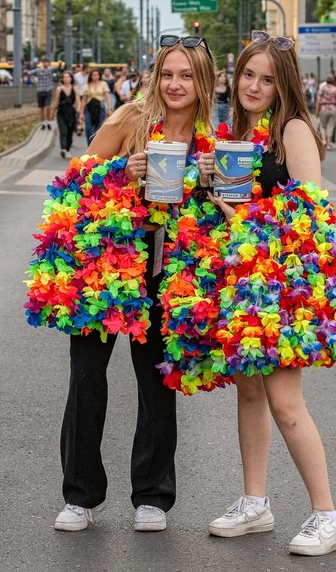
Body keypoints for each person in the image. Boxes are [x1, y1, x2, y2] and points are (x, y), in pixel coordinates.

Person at [50, 34, 216, 534]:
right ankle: (80, 496)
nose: (175, 83)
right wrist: (124, 170)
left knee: (157, 381)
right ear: (155, 76)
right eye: (168, 73)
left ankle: (152, 496)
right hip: (112, 267)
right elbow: (77, 180)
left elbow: (225, 215)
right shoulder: (128, 119)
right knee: (86, 378)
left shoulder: (215, 136)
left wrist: (210, 180)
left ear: (203, 81)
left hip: (171, 271)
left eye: (186, 75)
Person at [197, 30, 336, 557]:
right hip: (246, 283)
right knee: (249, 392)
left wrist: (240, 214)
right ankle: (255, 503)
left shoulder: (295, 131)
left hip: (283, 289)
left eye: (266, 78)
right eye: (247, 75)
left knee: (285, 403)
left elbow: (311, 219)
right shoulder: (245, 133)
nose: (253, 85)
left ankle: (328, 516)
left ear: (284, 85)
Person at [52, 70, 81, 159]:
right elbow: (56, 102)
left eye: (68, 77)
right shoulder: (59, 89)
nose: (66, 79)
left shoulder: (74, 88)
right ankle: (63, 149)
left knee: (70, 132)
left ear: (71, 78)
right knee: (63, 131)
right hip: (61, 112)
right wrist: (52, 112)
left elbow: (78, 101)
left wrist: (79, 109)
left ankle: (68, 149)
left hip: (71, 112)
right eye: (64, 77)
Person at [80, 68, 112, 143]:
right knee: (88, 128)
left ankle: (97, 145)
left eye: (97, 75)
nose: (95, 76)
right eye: (93, 75)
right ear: (90, 76)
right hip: (89, 108)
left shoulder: (103, 84)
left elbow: (107, 97)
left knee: (99, 128)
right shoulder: (87, 85)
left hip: (100, 108)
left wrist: (109, 109)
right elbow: (84, 100)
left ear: (99, 76)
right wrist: (81, 112)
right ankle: (90, 145)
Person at [315, 75, 336, 151]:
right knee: (330, 127)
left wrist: (317, 111)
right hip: (332, 108)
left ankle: (324, 140)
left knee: (322, 126)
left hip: (323, 108)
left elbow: (318, 100)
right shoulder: (335, 89)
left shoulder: (322, 88)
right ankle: (329, 144)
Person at [34, 57, 56, 129]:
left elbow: (58, 68)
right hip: (40, 90)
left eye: (46, 62)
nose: (45, 63)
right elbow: (30, 72)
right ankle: (43, 123)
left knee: (48, 106)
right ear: (42, 63)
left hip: (48, 90)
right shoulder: (38, 70)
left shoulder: (50, 70)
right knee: (41, 108)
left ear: (48, 63)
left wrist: (60, 64)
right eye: (44, 62)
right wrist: (25, 71)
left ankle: (48, 122)